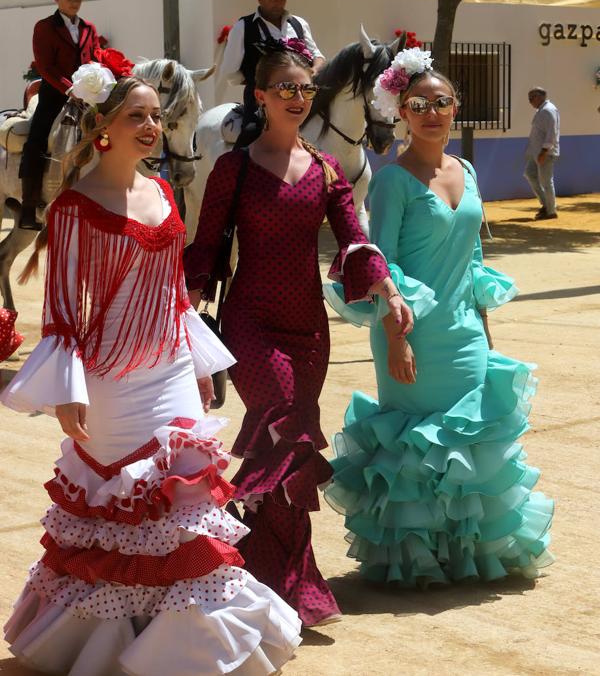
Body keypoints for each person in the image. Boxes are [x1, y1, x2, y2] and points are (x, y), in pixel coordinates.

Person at [2, 68, 302, 675]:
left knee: (185, 507)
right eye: (135, 116)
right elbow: (61, 313)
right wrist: (67, 392)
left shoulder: (164, 191)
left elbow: (174, 291)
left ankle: (191, 647)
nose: (151, 127)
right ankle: (109, 645)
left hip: (168, 367)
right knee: (117, 515)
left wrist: (197, 366)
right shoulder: (72, 206)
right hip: (108, 382)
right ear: (101, 127)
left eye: (155, 116)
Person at [184, 39, 412, 626]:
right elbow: (207, 248)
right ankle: (276, 585)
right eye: (284, 87)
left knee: (288, 449)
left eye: (304, 88)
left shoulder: (328, 169)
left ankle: (261, 580)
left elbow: (355, 239)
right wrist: (187, 307)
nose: (296, 96)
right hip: (250, 324)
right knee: (283, 430)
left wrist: (387, 291)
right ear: (259, 95)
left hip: (309, 331)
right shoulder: (233, 169)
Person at [323, 48, 554, 586]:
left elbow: (473, 259)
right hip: (410, 336)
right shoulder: (391, 181)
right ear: (401, 111)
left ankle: (467, 554)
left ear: (456, 107)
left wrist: (485, 329)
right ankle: (417, 561)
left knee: (471, 444)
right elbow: (383, 267)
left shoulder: (467, 170)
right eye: (418, 103)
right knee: (418, 448)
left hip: (466, 333)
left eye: (440, 101)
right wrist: (395, 339)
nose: (430, 111)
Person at [19, 0, 102, 230]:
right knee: (37, 138)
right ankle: (29, 206)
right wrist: (70, 90)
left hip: (87, 96)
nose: (74, 2)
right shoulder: (44, 27)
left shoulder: (89, 28)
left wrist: (100, 82)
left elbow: (97, 57)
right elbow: (45, 66)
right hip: (55, 95)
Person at [219, 0, 325, 147]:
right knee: (250, 132)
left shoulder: (299, 24)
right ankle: (239, 168)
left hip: (300, 94)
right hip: (261, 99)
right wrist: (255, 82)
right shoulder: (243, 27)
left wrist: (312, 71)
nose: (277, 4)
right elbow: (230, 72)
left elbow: (318, 56)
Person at [524, 86, 560, 221]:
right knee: (530, 174)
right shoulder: (542, 110)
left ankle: (550, 211)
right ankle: (546, 204)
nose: (530, 101)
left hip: (545, 152)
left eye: (531, 98)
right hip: (537, 152)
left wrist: (544, 151)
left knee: (546, 181)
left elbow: (552, 133)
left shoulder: (548, 111)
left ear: (539, 97)